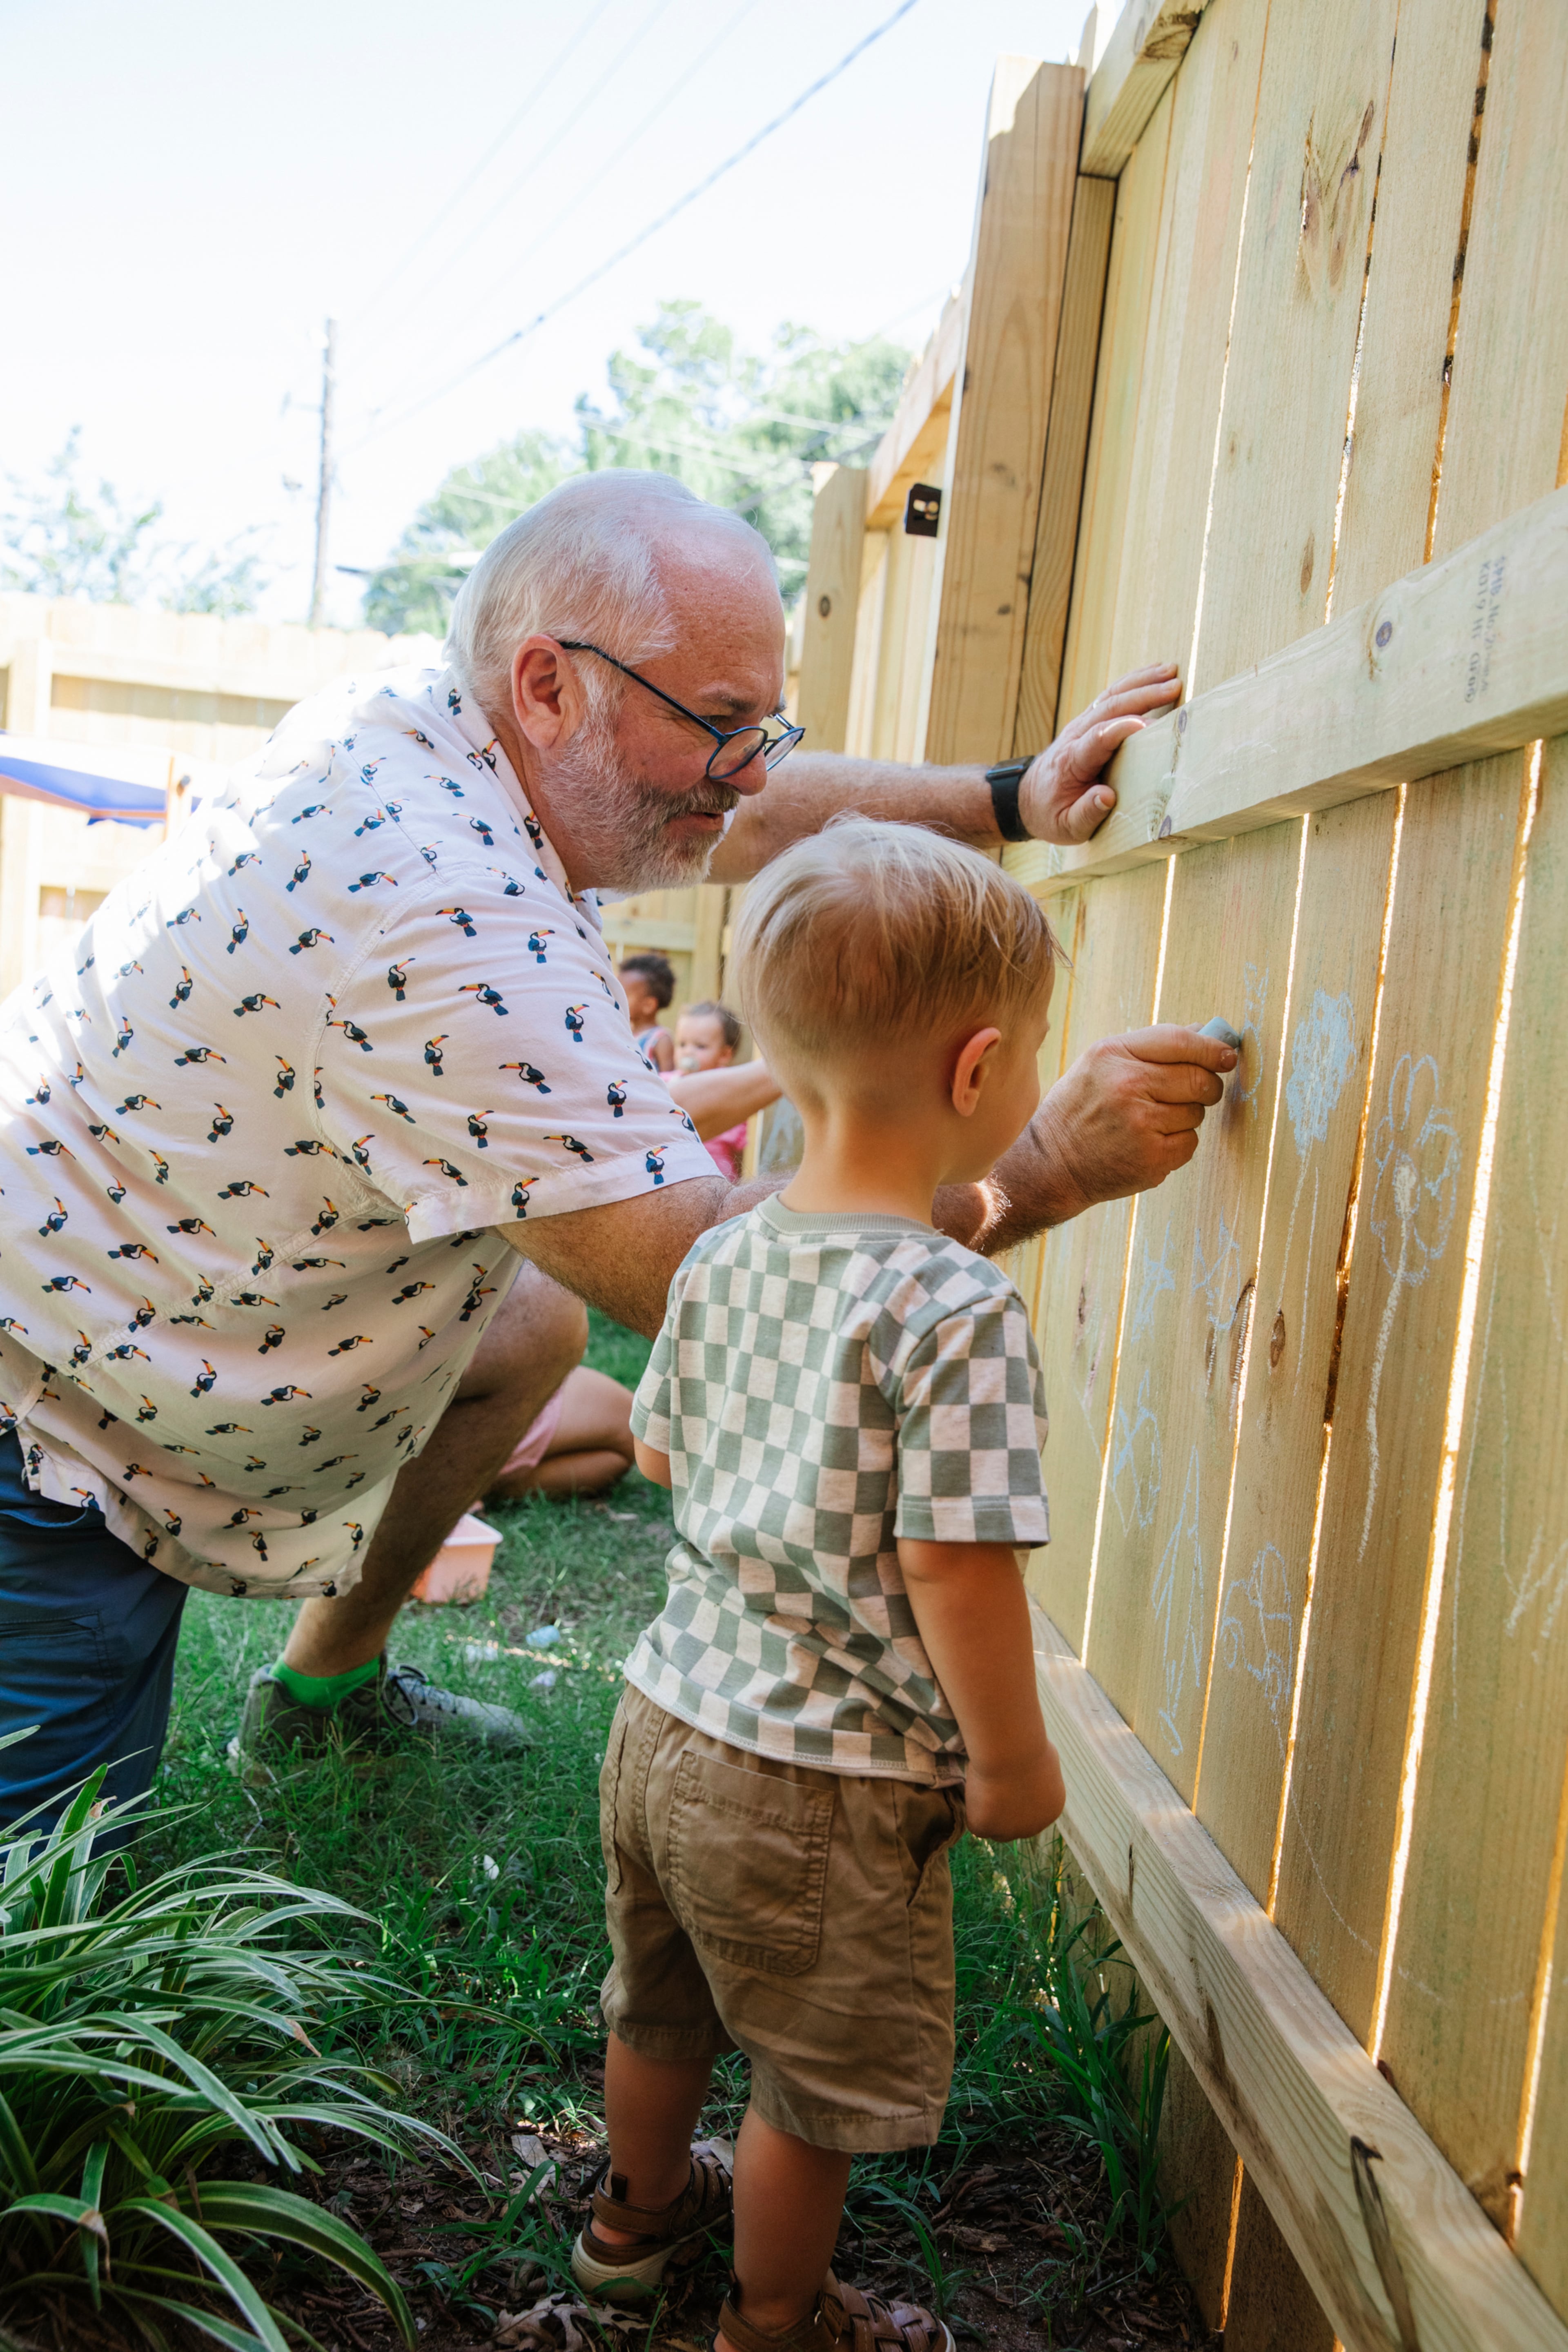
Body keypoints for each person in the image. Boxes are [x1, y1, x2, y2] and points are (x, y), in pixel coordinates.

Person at [0, 468, 1234, 1834]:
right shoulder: (451, 920)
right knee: (54, 1943)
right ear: (546, 684)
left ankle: (326, 1699)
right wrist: (1045, 1170)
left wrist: (1009, 796)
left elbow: (746, 815)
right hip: (48, 1430)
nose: (754, 768)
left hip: (125, 1296)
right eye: (719, 723)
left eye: (765, 723)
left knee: (525, 1330)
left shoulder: (427, 723)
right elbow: (710, 1274)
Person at [574, 822, 1072, 2352]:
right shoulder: (953, 1297)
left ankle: (627, 2228)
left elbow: (658, 1455)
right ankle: (775, 2318)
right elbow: (953, 1558)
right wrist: (1010, 1755)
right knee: (807, 2082)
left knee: (655, 2009)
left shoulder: (726, 1257)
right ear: (979, 1071)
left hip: (664, 1722)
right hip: (825, 1773)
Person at [668, 1000, 760, 1180]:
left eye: (700, 1046)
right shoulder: (668, 1082)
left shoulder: (730, 1088)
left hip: (716, 1176)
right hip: (678, 1177)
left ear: (725, 1055)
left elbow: (743, 1142)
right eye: (682, 1044)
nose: (688, 1052)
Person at [619, 953, 677, 1071]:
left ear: (648, 1006)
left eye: (622, 994)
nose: (615, 998)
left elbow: (668, 1081)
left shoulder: (660, 1040)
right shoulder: (623, 1032)